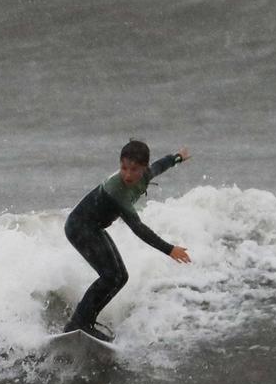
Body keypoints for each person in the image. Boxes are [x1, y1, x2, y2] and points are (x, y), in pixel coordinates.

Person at [63, 139, 193, 340]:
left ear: (143, 168)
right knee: (109, 276)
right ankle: (78, 322)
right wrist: (169, 249)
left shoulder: (146, 175)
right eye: (124, 168)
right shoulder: (117, 190)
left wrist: (177, 158)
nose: (128, 174)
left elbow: (159, 166)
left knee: (120, 277)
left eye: (134, 169)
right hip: (79, 227)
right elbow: (138, 228)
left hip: (94, 227)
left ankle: (86, 321)